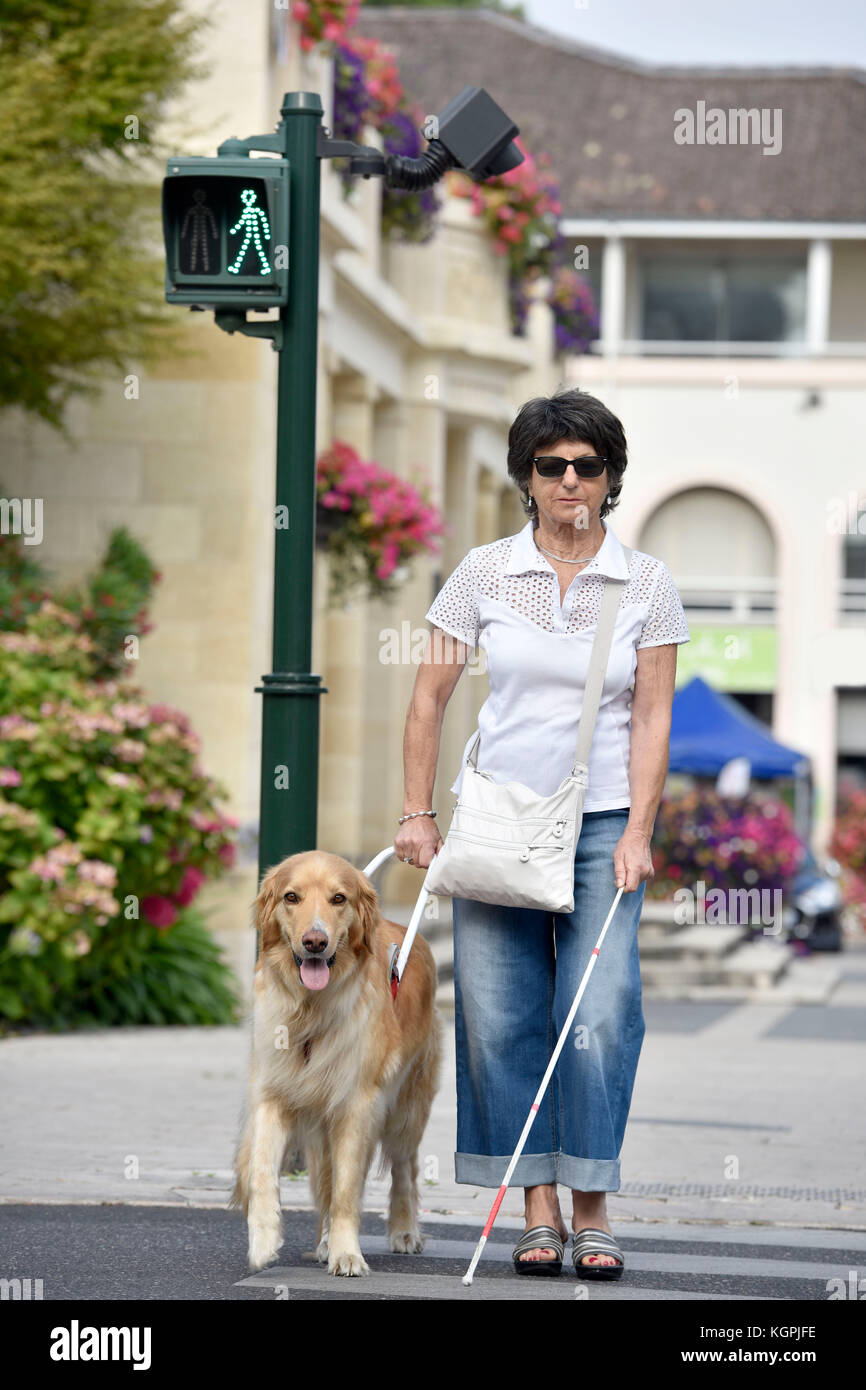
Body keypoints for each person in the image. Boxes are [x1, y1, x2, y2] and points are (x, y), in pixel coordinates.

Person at [394, 387, 690, 1279]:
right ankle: (536, 1208)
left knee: (598, 1017)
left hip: (601, 826)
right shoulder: (483, 571)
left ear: (610, 478)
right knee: (497, 1017)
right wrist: (417, 815)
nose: (570, 481)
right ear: (528, 476)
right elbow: (429, 699)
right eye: (551, 465)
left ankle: (593, 1206)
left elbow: (651, 718)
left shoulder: (646, 583)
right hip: (497, 824)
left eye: (587, 466)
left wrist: (640, 829)